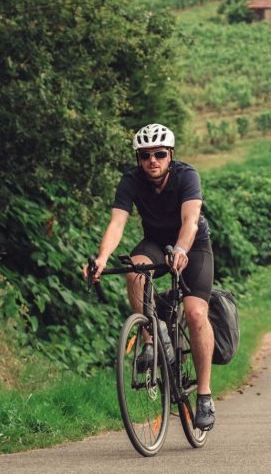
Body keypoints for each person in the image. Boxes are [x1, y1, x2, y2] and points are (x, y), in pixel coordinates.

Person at [83, 123, 216, 431]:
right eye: (145, 156)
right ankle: (151, 341)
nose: (152, 161)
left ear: (170, 156)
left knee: (196, 314)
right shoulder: (131, 181)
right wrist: (101, 258)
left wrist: (181, 249)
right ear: (139, 159)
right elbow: (117, 223)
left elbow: (191, 221)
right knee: (135, 268)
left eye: (159, 154)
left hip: (193, 246)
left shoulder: (187, 176)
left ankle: (205, 396)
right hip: (156, 243)